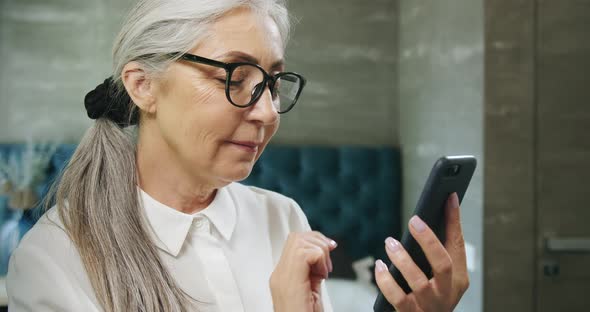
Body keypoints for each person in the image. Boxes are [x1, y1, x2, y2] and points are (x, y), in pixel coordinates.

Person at [6, 0, 470, 311]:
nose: (267, 113)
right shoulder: (54, 258)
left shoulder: (283, 219)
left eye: (271, 81)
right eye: (235, 75)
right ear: (143, 86)